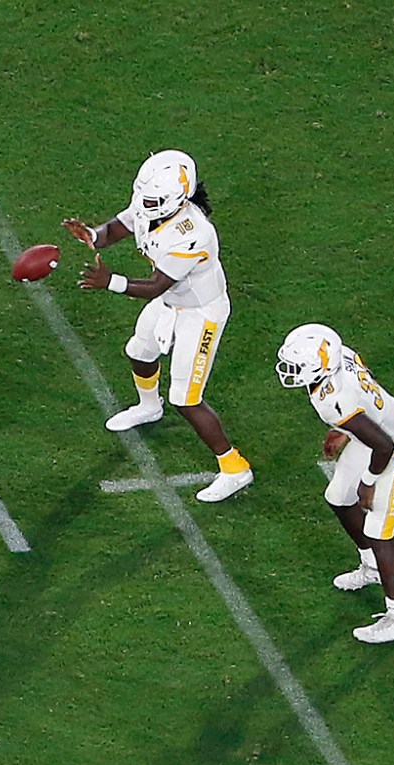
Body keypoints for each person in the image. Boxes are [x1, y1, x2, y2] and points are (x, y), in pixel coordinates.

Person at [67, 150, 254, 502]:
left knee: (186, 398)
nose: (146, 203)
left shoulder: (192, 233)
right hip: (172, 303)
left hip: (200, 314)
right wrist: (92, 234)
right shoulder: (153, 204)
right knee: (139, 351)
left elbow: (155, 285)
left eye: (153, 199)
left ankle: (235, 468)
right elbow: (121, 226)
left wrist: (110, 282)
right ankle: (149, 406)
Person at [276, 323, 394, 643]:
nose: (292, 370)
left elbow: (384, 446)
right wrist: (344, 431)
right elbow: (365, 398)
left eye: (300, 365)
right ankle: (371, 567)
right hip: (375, 433)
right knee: (337, 495)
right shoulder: (340, 360)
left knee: (379, 531)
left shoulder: (333, 401)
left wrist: (369, 482)